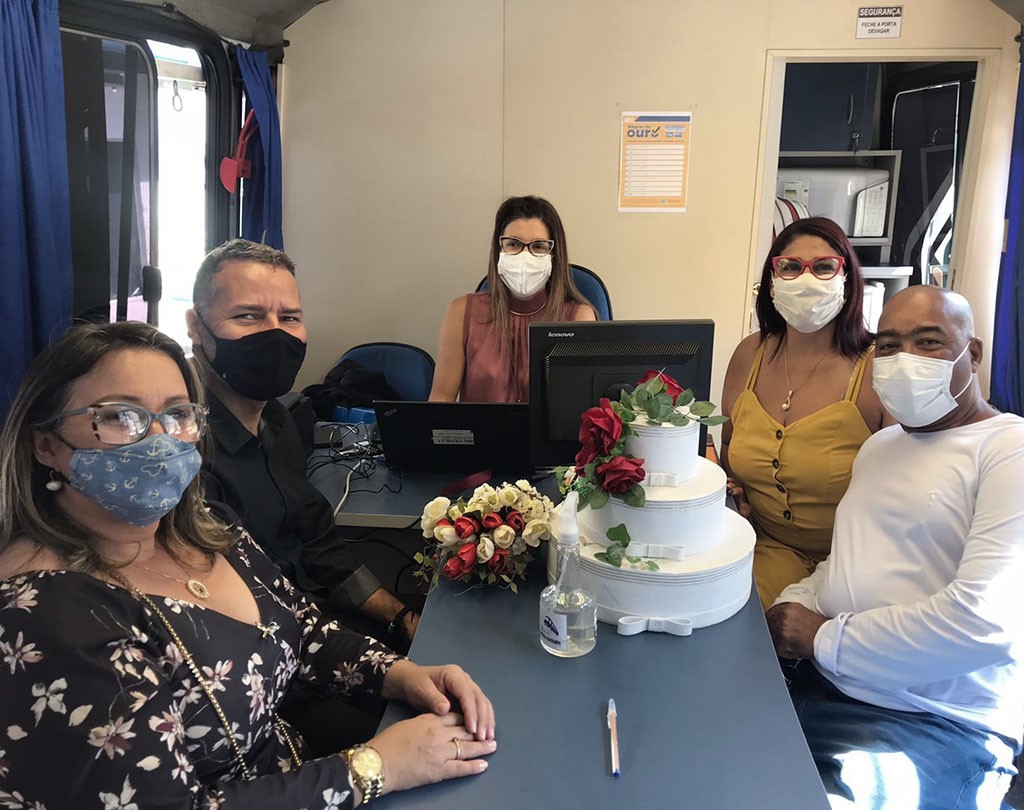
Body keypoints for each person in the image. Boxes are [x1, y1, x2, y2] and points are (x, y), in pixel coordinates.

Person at [0, 321, 496, 807]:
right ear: (46, 444)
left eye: (177, 414)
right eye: (119, 417)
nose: (159, 438)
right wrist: (374, 767)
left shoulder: (206, 526)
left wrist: (400, 674)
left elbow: (301, 631)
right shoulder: (45, 618)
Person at [766, 286, 1024, 809]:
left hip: (932, 724)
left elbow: (989, 623)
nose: (904, 358)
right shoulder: (881, 447)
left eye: (928, 341)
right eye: (888, 346)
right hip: (822, 687)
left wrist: (822, 637)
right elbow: (846, 563)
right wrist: (788, 607)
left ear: (972, 354)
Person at [185, 239, 418, 652]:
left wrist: (399, 616)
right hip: (268, 651)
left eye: (289, 317)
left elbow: (318, 543)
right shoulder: (185, 457)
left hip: (318, 616)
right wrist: (381, 664)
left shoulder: (279, 420)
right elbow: (239, 613)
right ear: (196, 327)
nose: (275, 333)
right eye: (248, 315)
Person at [720, 217, 890, 608]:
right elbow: (728, 447)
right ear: (772, 279)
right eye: (791, 267)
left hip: (852, 565)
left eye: (824, 267)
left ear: (847, 279)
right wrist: (735, 491)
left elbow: (903, 493)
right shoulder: (749, 354)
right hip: (762, 547)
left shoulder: (877, 368)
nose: (806, 279)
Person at [429, 195, 596, 403]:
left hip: (548, 427)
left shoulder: (578, 318)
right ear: (499, 249)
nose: (524, 256)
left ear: (554, 255)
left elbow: (581, 405)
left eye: (538, 246)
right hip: (479, 425)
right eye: (513, 244)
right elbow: (441, 398)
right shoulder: (461, 313)